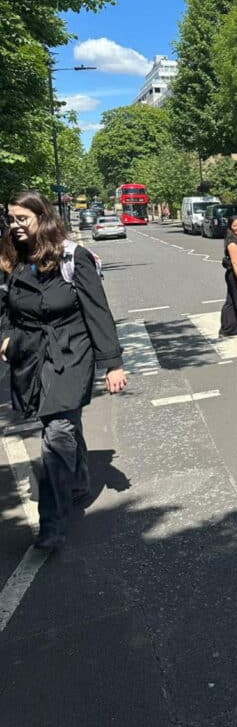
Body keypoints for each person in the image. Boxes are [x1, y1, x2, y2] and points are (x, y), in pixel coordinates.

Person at [0, 191, 127, 551]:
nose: (15, 225)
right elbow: (4, 305)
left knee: (57, 433)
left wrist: (112, 364)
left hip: (72, 354)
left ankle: (51, 524)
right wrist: (6, 338)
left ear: (43, 217)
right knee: (60, 423)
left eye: (22, 218)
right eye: (11, 218)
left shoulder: (74, 257)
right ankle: (78, 478)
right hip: (30, 355)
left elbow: (97, 312)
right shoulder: (12, 257)